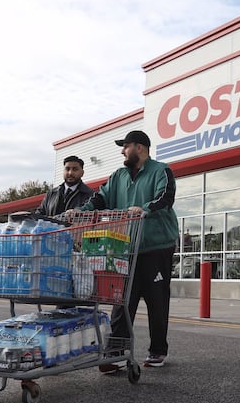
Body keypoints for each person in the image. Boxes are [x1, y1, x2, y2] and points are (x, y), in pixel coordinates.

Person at [69, 130, 178, 370]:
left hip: (156, 246)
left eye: (125, 146)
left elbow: (166, 196)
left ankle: (157, 351)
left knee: (156, 299)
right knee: (121, 299)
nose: (122, 151)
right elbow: (101, 199)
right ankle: (116, 351)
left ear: (140, 148)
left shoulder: (161, 170)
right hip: (125, 248)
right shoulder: (118, 176)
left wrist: (145, 208)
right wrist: (81, 211)